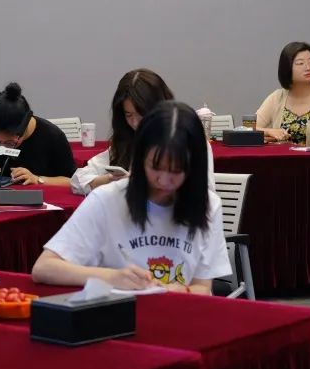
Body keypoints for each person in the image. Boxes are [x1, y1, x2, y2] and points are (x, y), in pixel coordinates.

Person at [32, 102, 232, 294]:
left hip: (175, 312)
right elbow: (44, 267)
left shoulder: (207, 205)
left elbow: (203, 288)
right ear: (140, 159)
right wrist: (112, 277)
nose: (163, 180)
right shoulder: (107, 200)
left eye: (176, 170)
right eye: (155, 167)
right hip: (118, 312)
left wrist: (182, 291)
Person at [71, 68, 215, 195]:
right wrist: (108, 180)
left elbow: (205, 196)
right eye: (129, 115)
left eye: (142, 114)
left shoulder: (190, 142)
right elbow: (77, 180)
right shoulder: (128, 142)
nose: (135, 123)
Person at [0, 83, 76, 186]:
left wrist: (37, 179)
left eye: (10, 142)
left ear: (25, 126)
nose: (2, 146)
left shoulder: (52, 136)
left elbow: (72, 181)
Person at [253, 41, 310, 146]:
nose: (308, 68)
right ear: (287, 68)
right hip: (280, 156)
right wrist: (269, 131)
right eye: (300, 63)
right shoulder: (276, 98)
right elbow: (248, 129)